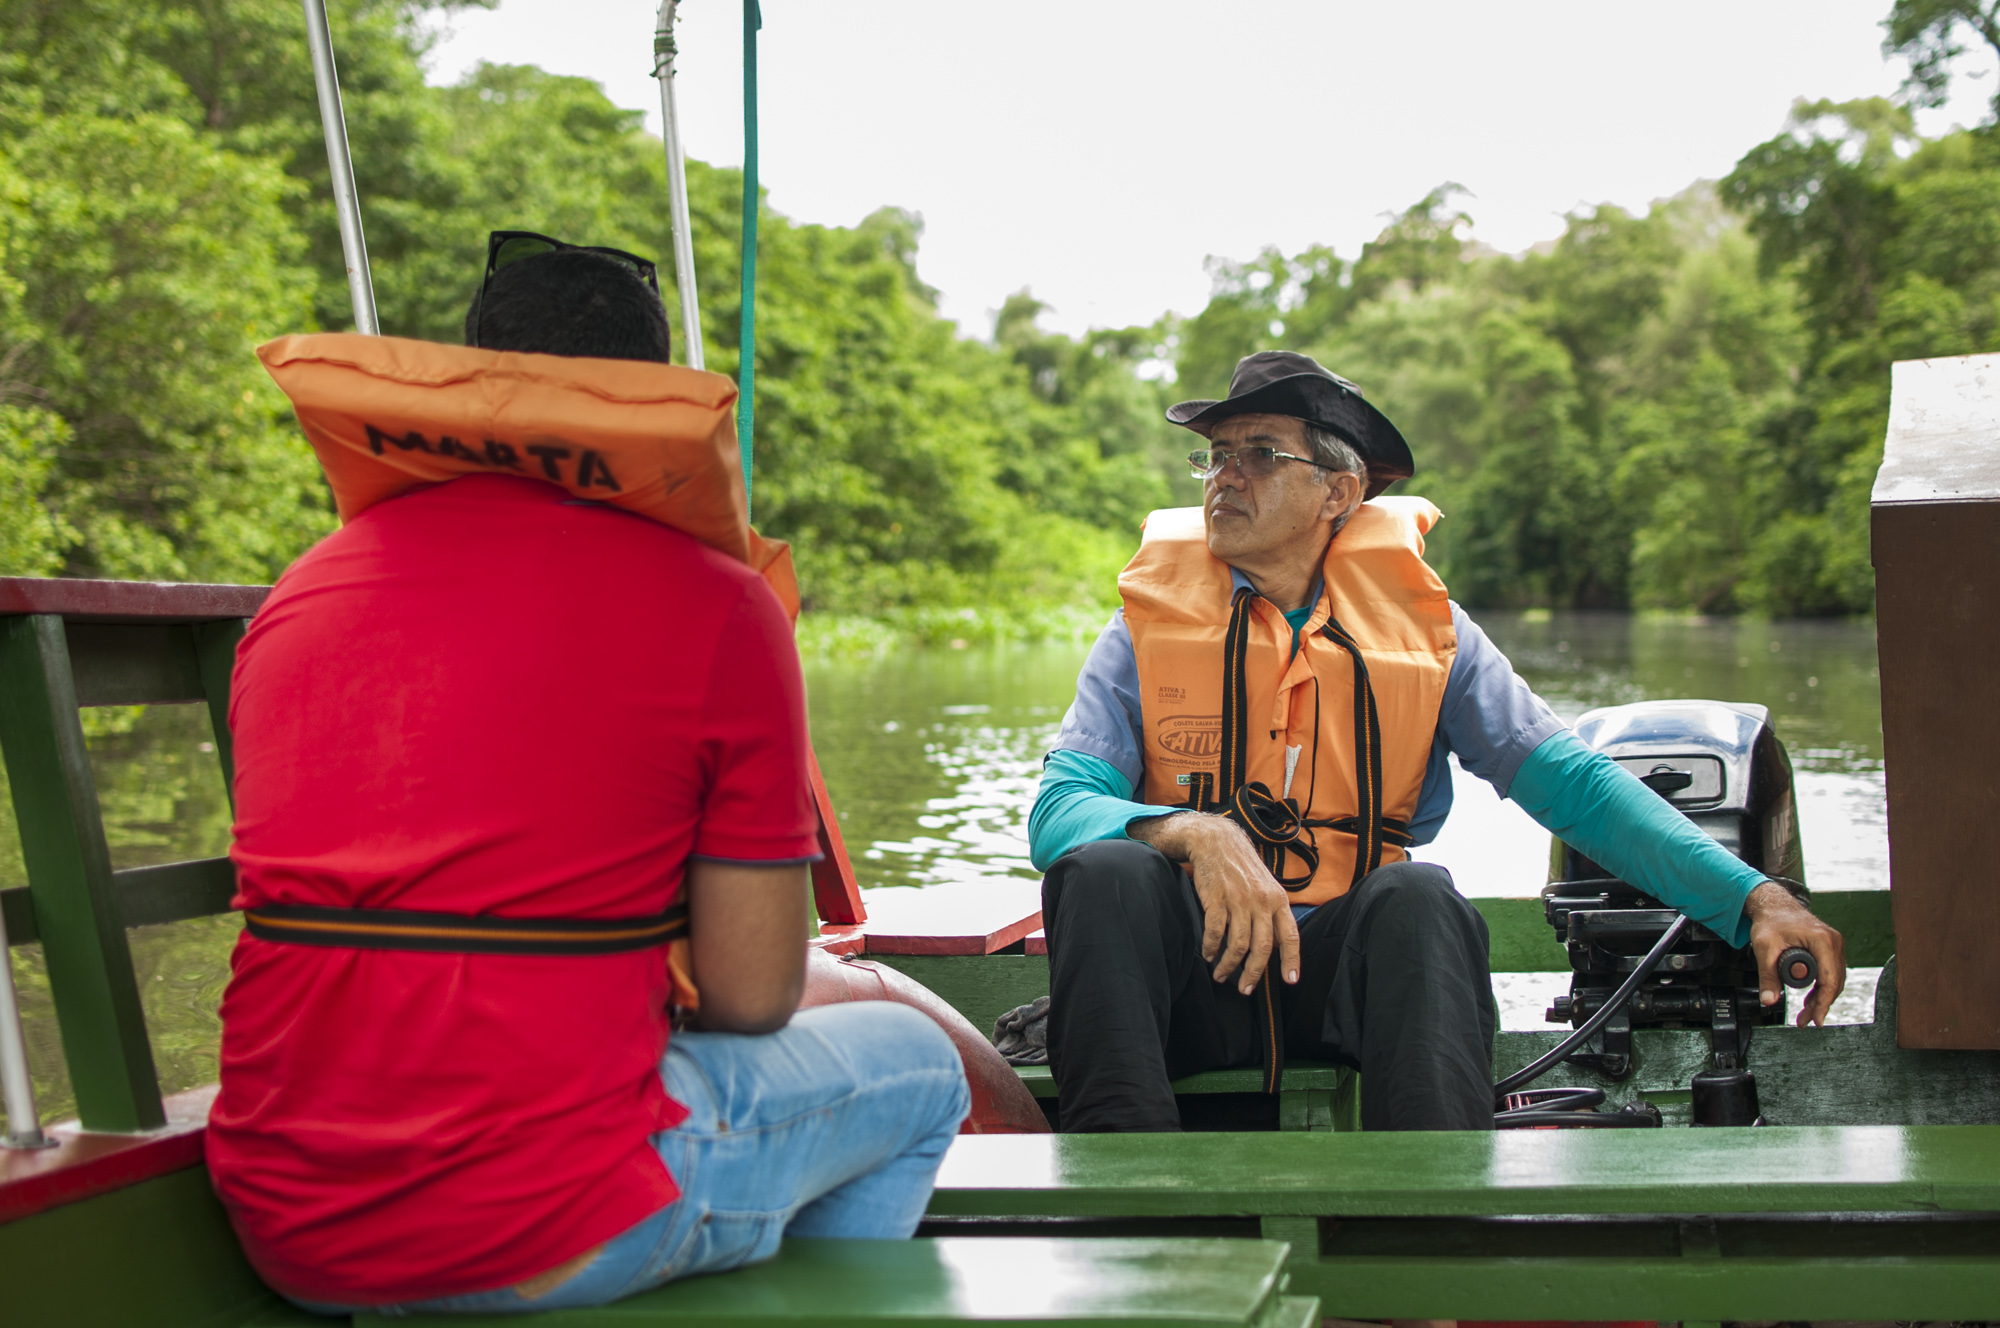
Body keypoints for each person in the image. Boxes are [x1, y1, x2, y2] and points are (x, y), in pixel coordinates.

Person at [207, 239, 969, 1314]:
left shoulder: (297, 595)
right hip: (547, 1221)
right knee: (920, 1067)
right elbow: (753, 997)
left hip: (288, 1215)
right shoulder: (719, 604)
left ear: (468, 379)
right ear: (653, 401)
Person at [1028, 350, 1847, 1133]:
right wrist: (1193, 833)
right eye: (1216, 456)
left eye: (1261, 454)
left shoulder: (1429, 636)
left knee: (1421, 899)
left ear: (1337, 494)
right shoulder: (1144, 629)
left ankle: (1431, 1225)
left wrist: (1755, 899)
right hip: (1188, 982)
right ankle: (1127, 1223)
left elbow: (1575, 786)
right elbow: (1057, 815)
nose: (1225, 477)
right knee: (1102, 872)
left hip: (1341, 987)